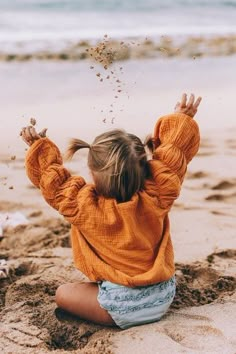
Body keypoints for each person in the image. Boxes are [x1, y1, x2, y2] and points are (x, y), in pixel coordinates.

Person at [20, 93, 201, 329]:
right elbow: (172, 155)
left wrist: (39, 147)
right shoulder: (158, 191)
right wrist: (181, 118)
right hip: (162, 297)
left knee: (63, 293)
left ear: (93, 173)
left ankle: (117, 306)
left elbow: (53, 182)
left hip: (121, 308)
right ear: (145, 167)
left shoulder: (83, 205)